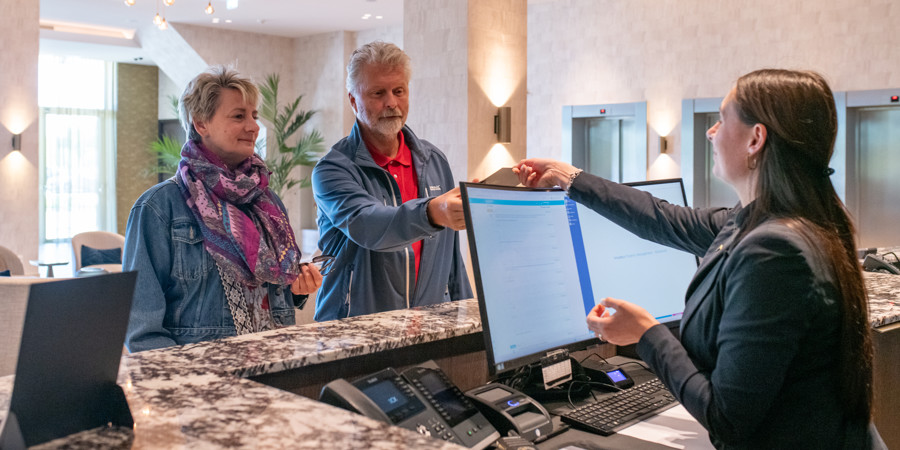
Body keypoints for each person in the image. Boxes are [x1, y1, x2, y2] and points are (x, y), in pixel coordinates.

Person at [515, 69, 878, 448]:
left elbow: (728, 420)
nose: (711, 131)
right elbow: (660, 217)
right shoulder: (770, 220)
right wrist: (567, 176)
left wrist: (647, 334)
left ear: (756, 139)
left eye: (722, 120)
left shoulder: (773, 252)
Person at [124, 66, 322, 352]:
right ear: (201, 123)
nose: (253, 126)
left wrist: (295, 290)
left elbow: (271, 294)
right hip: (204, 379)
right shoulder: (157, 208)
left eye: (254, 115)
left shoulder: (267, 202)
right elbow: (143, 330)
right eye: (239, 116)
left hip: (278, 365)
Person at [311, 41, 472, 321]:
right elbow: (371, 226)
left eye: (399, 91)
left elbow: (452, 260)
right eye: (378, 93)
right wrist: (433, 212)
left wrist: (470, 317)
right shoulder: (332, 170)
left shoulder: (435, 161)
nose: (391, 103)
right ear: (353, 100)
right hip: (353, 337)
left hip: (428, 331)